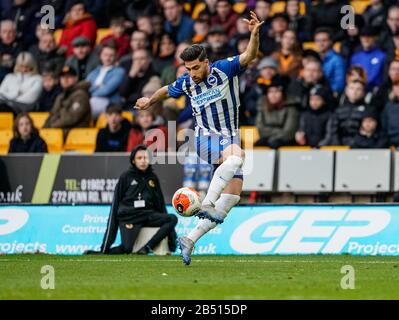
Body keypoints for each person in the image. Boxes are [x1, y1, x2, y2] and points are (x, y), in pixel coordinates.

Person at [135, 11, 264, 265]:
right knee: (238, 156)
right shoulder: (187, 82)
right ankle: (205, 202)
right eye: (188, 69)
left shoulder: (225, 69)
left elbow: (250, 55)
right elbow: (166, 89)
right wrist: (149, 100)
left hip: (229, 137)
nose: (192, 73)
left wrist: (254, 34)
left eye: (196, 68)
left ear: (206, 63)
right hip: (204, 138)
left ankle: (190, 239)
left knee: (234, 195)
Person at [89, 145, 178, 255]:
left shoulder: (152, 178)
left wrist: (172, 239)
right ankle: (101, 252)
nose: (143, 161)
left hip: (148, 215)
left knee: (172, 219)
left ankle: (147, 248)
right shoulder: (126, 177)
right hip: (129, 217)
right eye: (139, 158)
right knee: (127, 249)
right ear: (133, 160)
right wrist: (104, 247)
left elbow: (161, 206)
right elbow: (114, 208)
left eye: (145, 157)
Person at [44, 65, 91, 135]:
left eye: (69, 77)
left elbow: (72, 118)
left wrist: (52, 126)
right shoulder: (61, 96)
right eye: (63, 77)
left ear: (76, 78)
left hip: (75, 134)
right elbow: (52, 114)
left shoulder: (81, 95)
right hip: (59, 132)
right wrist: (44, 129)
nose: (65, 80)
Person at [255, 75, 299, 148]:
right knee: (258, 145)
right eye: (270, 92)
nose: (273, 95)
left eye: (276, 91)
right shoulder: (262, 106)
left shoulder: (291, 106)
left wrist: (272, 136)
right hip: (266, 139)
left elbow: (289, 132)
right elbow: (260, 129)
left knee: (273, 143)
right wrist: (274, 135)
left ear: (283, 93)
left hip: (286, 141)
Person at [86, 43, 126, 119]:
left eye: (111, 55)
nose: (108, 58)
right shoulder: (95, 71)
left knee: (86, 106)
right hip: (92, 100)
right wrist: (99, 87)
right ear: (100, 56)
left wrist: (92, 90)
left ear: (116, 56)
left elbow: (106, 90)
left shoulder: (119, 71)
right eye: (105, 55)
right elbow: (85, 86)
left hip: (109, 102)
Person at [314, 27, 346, 95]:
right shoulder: (314, 58)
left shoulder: (337, 60)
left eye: (324, 40)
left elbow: (339, 85)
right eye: (318, 40)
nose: (321, 43)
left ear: (331, 41)